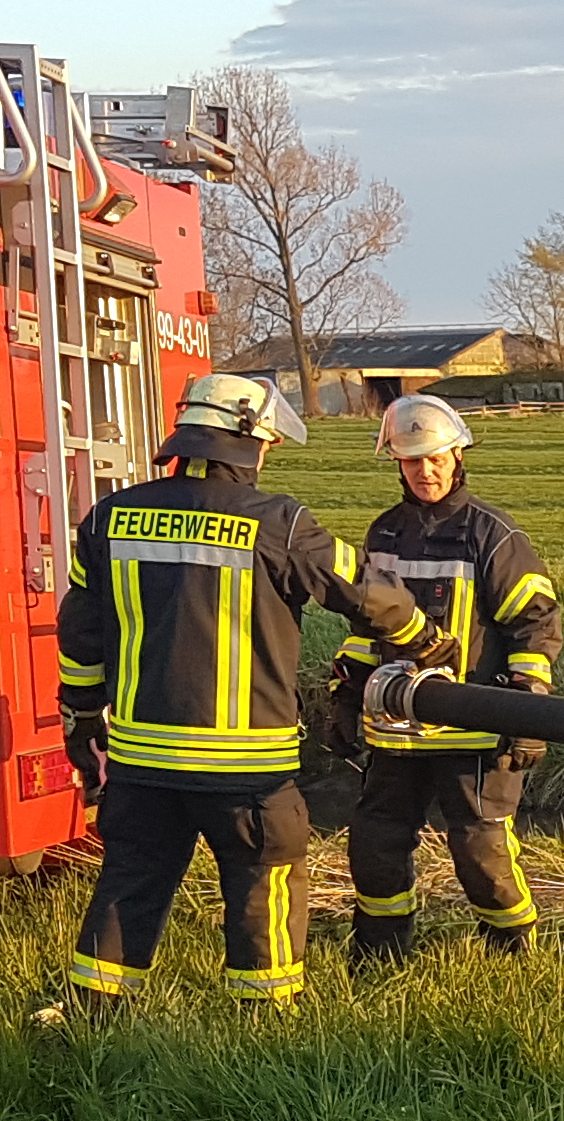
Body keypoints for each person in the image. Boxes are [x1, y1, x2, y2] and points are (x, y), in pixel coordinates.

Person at [50, 368, 440, 1011]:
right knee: (265, 886)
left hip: (144, 763)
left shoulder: (109, 519)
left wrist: (83, 718)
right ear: (247, 441)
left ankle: (92, 1015)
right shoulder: (278, 522)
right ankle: (264, 1024)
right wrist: (424, 639)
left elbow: (80, 635)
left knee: (129, 884)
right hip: (247, 770)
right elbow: (364, 592)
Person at [336, 392, 562, 967]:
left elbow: (534, 625)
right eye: (412, 461)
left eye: (436, 459)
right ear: (397, 462)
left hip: (474, 731)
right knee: (376, 843)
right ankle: (380, 956)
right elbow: (367, 627)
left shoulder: (493, 535)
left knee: (481, 850)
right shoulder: (384, 533)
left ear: (458, 456)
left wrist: (529, 708)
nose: (426, 472)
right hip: (396, 728)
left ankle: (513, 956)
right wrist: (346, 693)